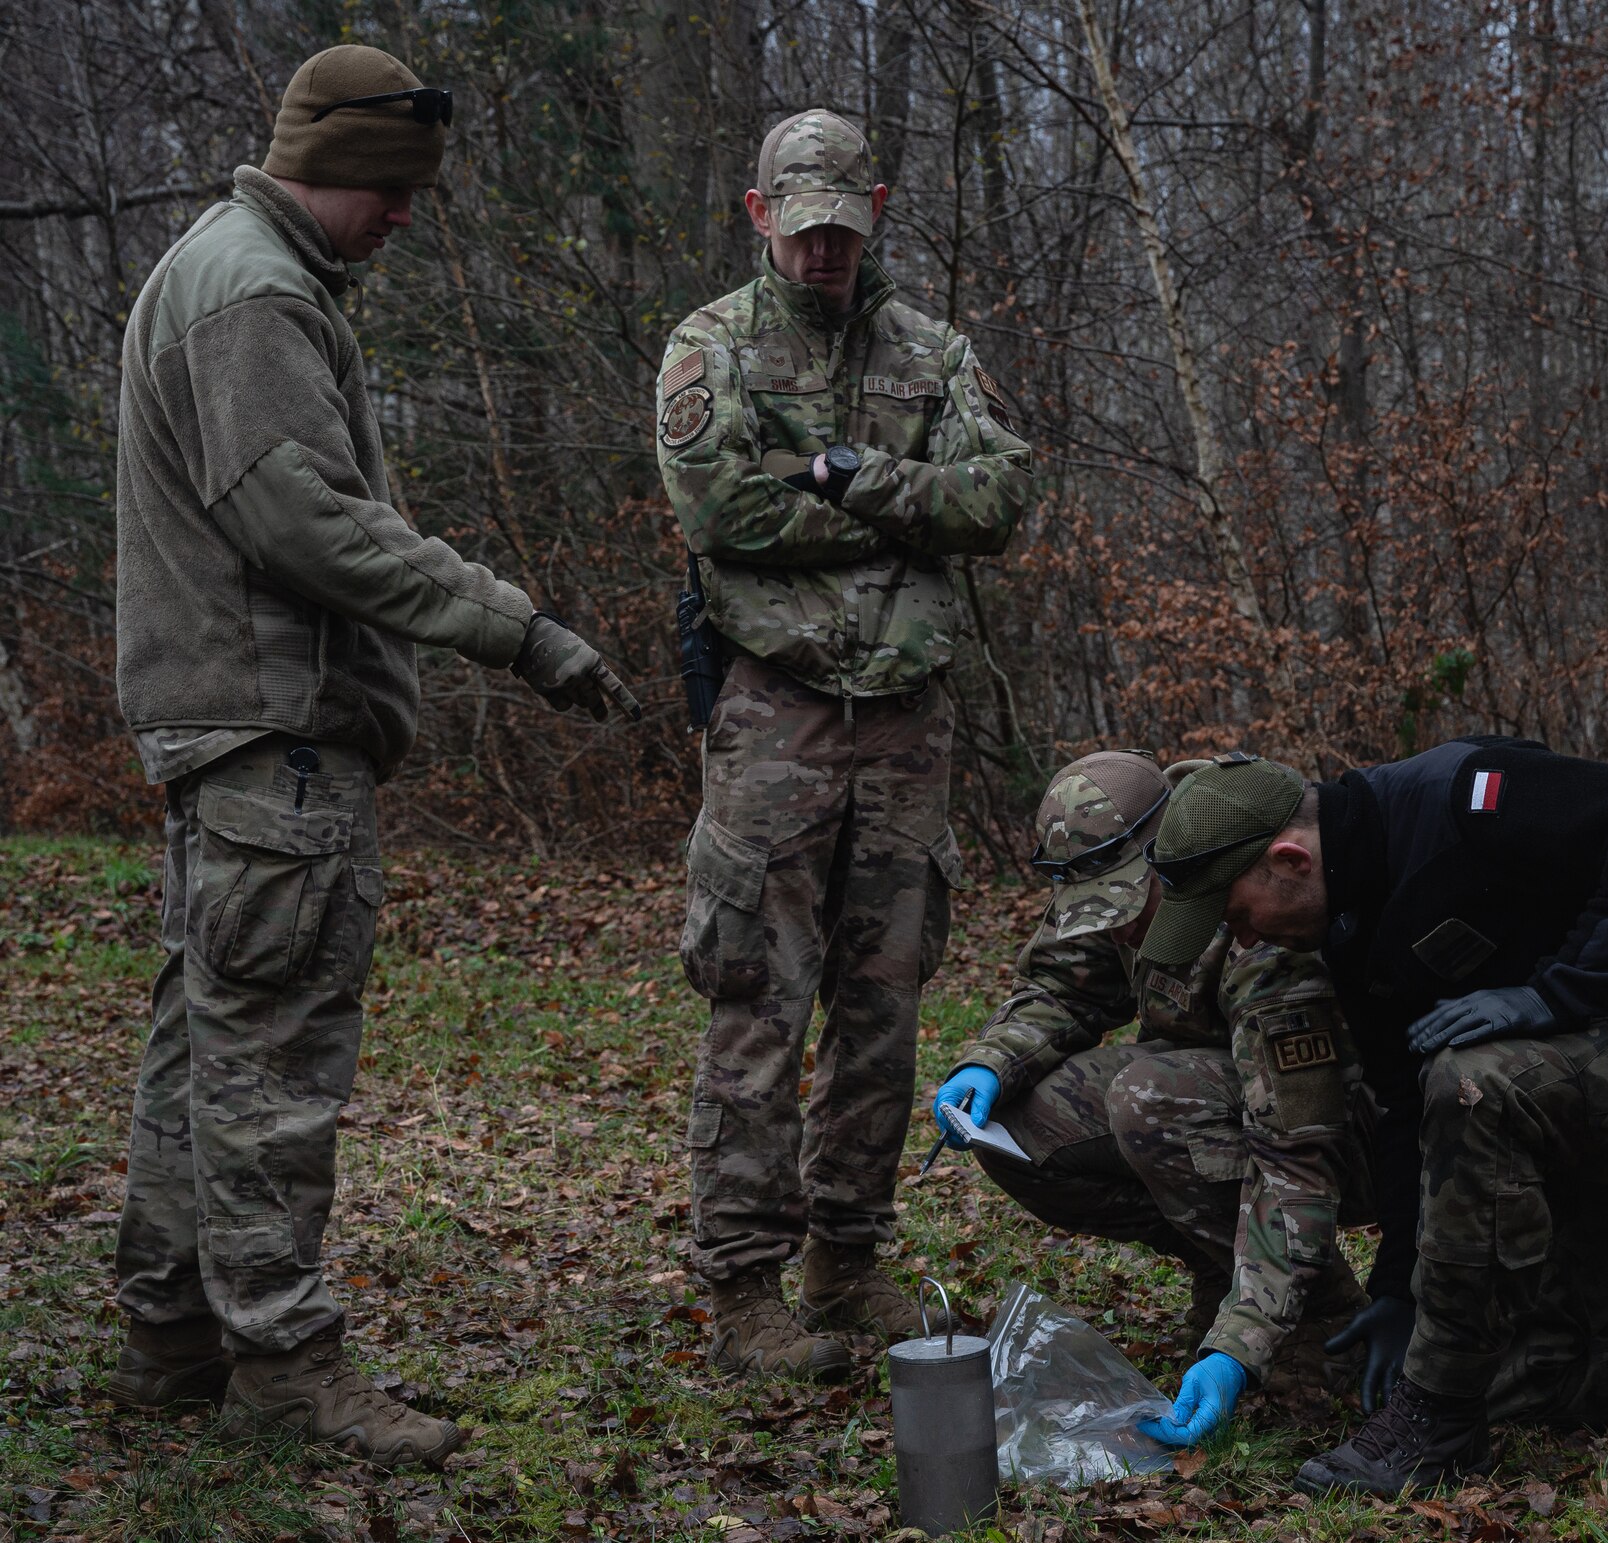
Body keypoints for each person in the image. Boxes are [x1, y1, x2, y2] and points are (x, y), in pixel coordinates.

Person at [109, 44, 637, 1468]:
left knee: (205, 1040)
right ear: (331, 167)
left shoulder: (229, 272)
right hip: (276, 742)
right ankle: (281, 1359)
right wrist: (515, 627)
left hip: (239, 737)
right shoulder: (256, 293)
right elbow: (311, 526)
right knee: (271, 1063)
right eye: (393, 193)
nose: (406, 219)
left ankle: (170, 1330)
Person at [1138, 740, 1608, 1494]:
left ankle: (1436, 1425)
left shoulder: (1464, 795)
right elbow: (1408, 1106)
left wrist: (1556, 993)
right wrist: (1398, 1293)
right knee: (1524, 1382)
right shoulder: (1346, 926)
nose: (1242, 938)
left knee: (1472, 1079)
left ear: (1292, 859)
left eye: (1238, 914)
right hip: (1565, 1121)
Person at [655, 108, 1032, 1380]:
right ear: (759, 214)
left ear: (873, 207)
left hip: (907, 725)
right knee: (757, 997)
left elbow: (999, 499)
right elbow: (720, 511)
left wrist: (850, 475)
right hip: (777, 714)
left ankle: (848, 1257)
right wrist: (898, 517)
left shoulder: (932, 349)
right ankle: (744, 1284)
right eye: (802, 230)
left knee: (883, 1004)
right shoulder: (709, 347)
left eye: (845, 229)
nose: (825, 251)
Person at [930, 751, 1374, 1446]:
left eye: (1130, 902)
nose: (1123, 928)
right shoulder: (1111, 879)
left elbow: (1295, 1149)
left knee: (1150, 1096)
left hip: (1338, 1131)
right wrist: (990, 1061)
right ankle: (1221, 1263)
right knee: (1021, 1122)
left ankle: (1317, 1319)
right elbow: (1065, 984)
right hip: (1220, 1103)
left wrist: (1243, 1343)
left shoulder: (1257, 911)